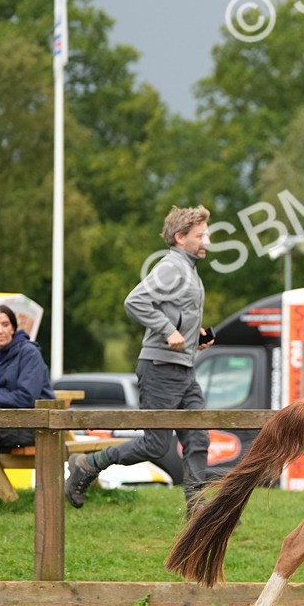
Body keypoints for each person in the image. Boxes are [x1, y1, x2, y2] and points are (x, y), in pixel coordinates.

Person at [64, 205, 214, 512]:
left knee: (198, 438)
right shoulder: (172, 266)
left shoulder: (188, 269)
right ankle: (87, 464)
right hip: (161, 369)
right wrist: (168, 330)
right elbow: (135, 301)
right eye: (200, 236)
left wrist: (193, 334)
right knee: (155, 445)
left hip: (183, 368)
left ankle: (198, 509)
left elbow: (175, 310)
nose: (207, 241)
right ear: (180, 237)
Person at [0, 304, 55, 496]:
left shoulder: (29, 353)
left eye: (5, 324)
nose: (0, 330)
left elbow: (26, 396)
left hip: (32, 426)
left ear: (13, 328)